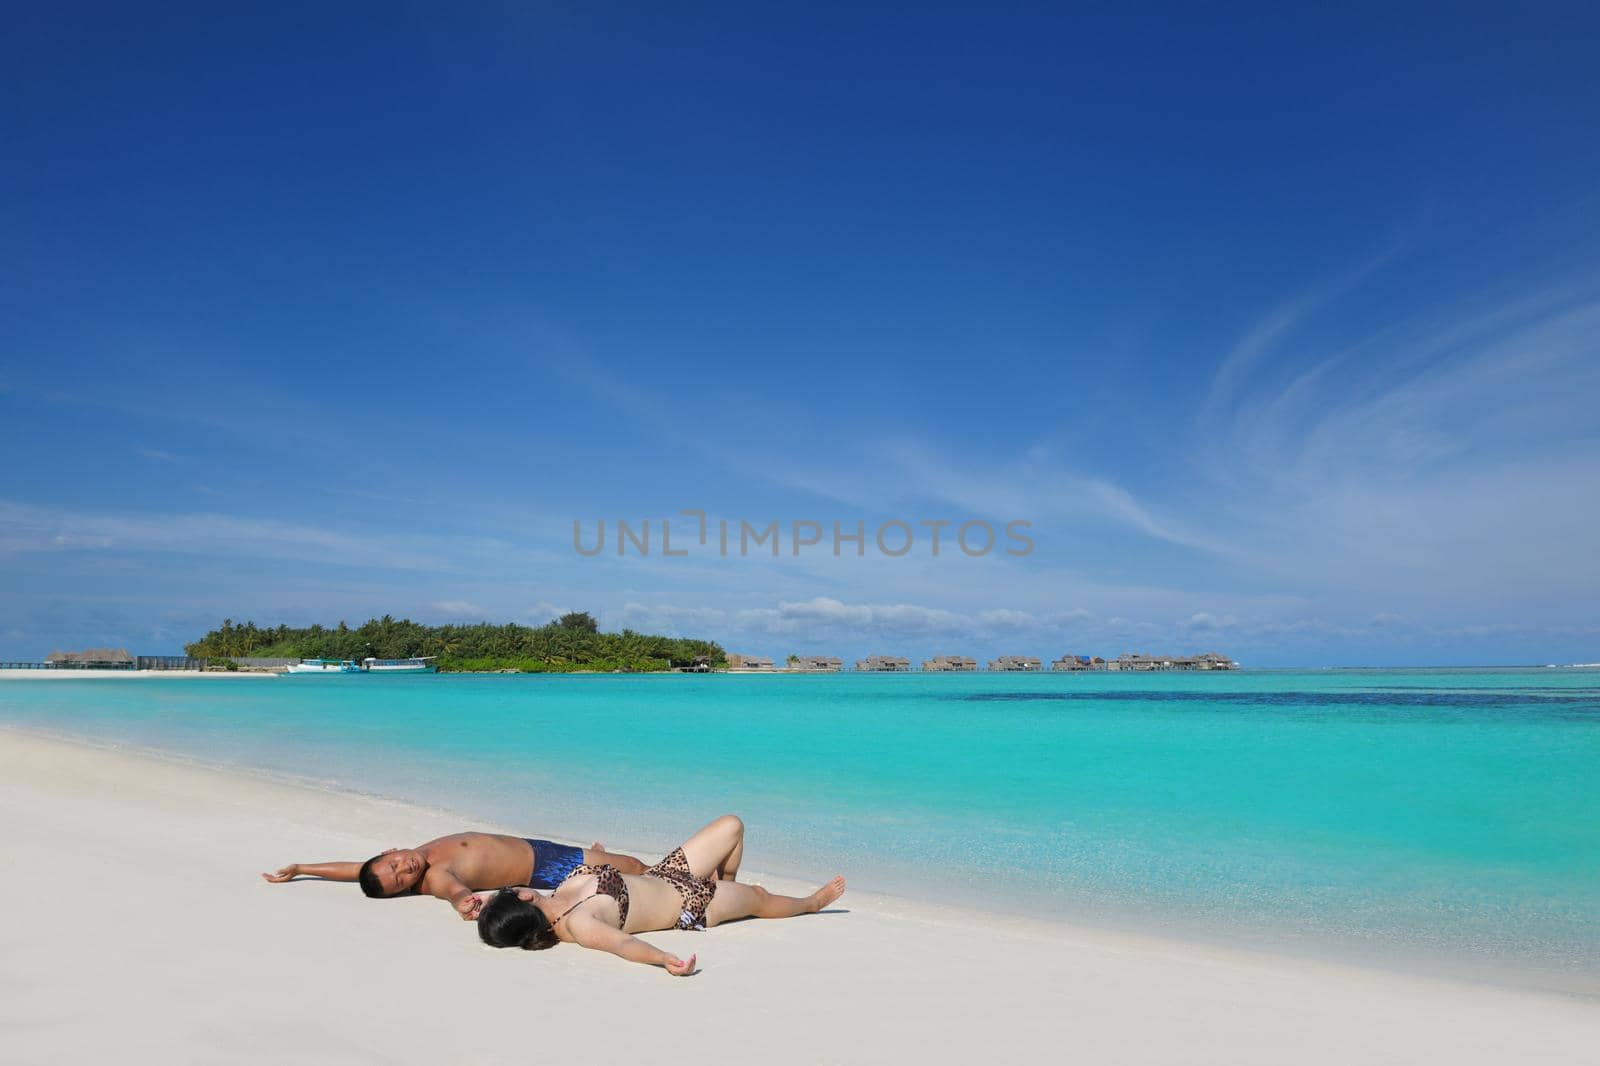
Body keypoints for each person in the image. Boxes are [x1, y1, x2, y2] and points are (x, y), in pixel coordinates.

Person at [477, 814, 845, 975]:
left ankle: (731, 883)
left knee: (732, 825)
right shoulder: (579, 925)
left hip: (667, 873)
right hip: (692, 904)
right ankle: (812, 903)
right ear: (523, 899)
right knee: (761, 897)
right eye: (508, 893)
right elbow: (622, 945)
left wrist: (598, 856)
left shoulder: (558, 892)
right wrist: (664, 959)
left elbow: (604, 871)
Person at [262, 833, 647, 920]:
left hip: (531, 844)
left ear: (388, 851)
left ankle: (603, 858)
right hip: (545, 866)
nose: (404, 869)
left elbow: (355, 871)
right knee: (632, 867)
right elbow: (452, 890)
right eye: (401, 880)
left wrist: (302, 868)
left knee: (616, 862)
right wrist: (463, 902)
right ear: (408, 889)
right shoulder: (437, 874)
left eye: (395, 864)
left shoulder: (405, 859)